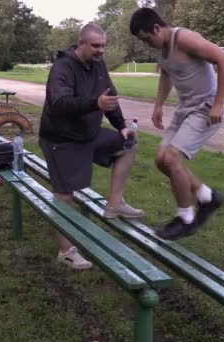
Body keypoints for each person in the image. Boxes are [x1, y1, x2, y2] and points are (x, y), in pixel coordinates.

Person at [39, 23, 144, 269]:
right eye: (96, 46)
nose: (101, 51)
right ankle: (66, 251)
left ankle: (115, 205)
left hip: (88, 134)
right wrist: (94, 104)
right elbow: (60, 103)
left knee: (128, 144)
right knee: (65, 194)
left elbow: (110, 99)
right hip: (60, 139)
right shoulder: (63, 67)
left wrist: (121, 127)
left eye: (104, 46)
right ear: (82, 43)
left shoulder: (98, 66)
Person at [129, 8, 224, 240]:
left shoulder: (184, 38)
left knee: (172, 158)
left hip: (206, 109)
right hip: (184, 109)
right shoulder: (162, 49)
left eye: (147, 39)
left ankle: (185, 218)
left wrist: (219, 103)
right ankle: (206, 197)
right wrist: (158, 105)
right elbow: (166, 74)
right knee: (161, 161)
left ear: (157, 28)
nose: (147, 44)